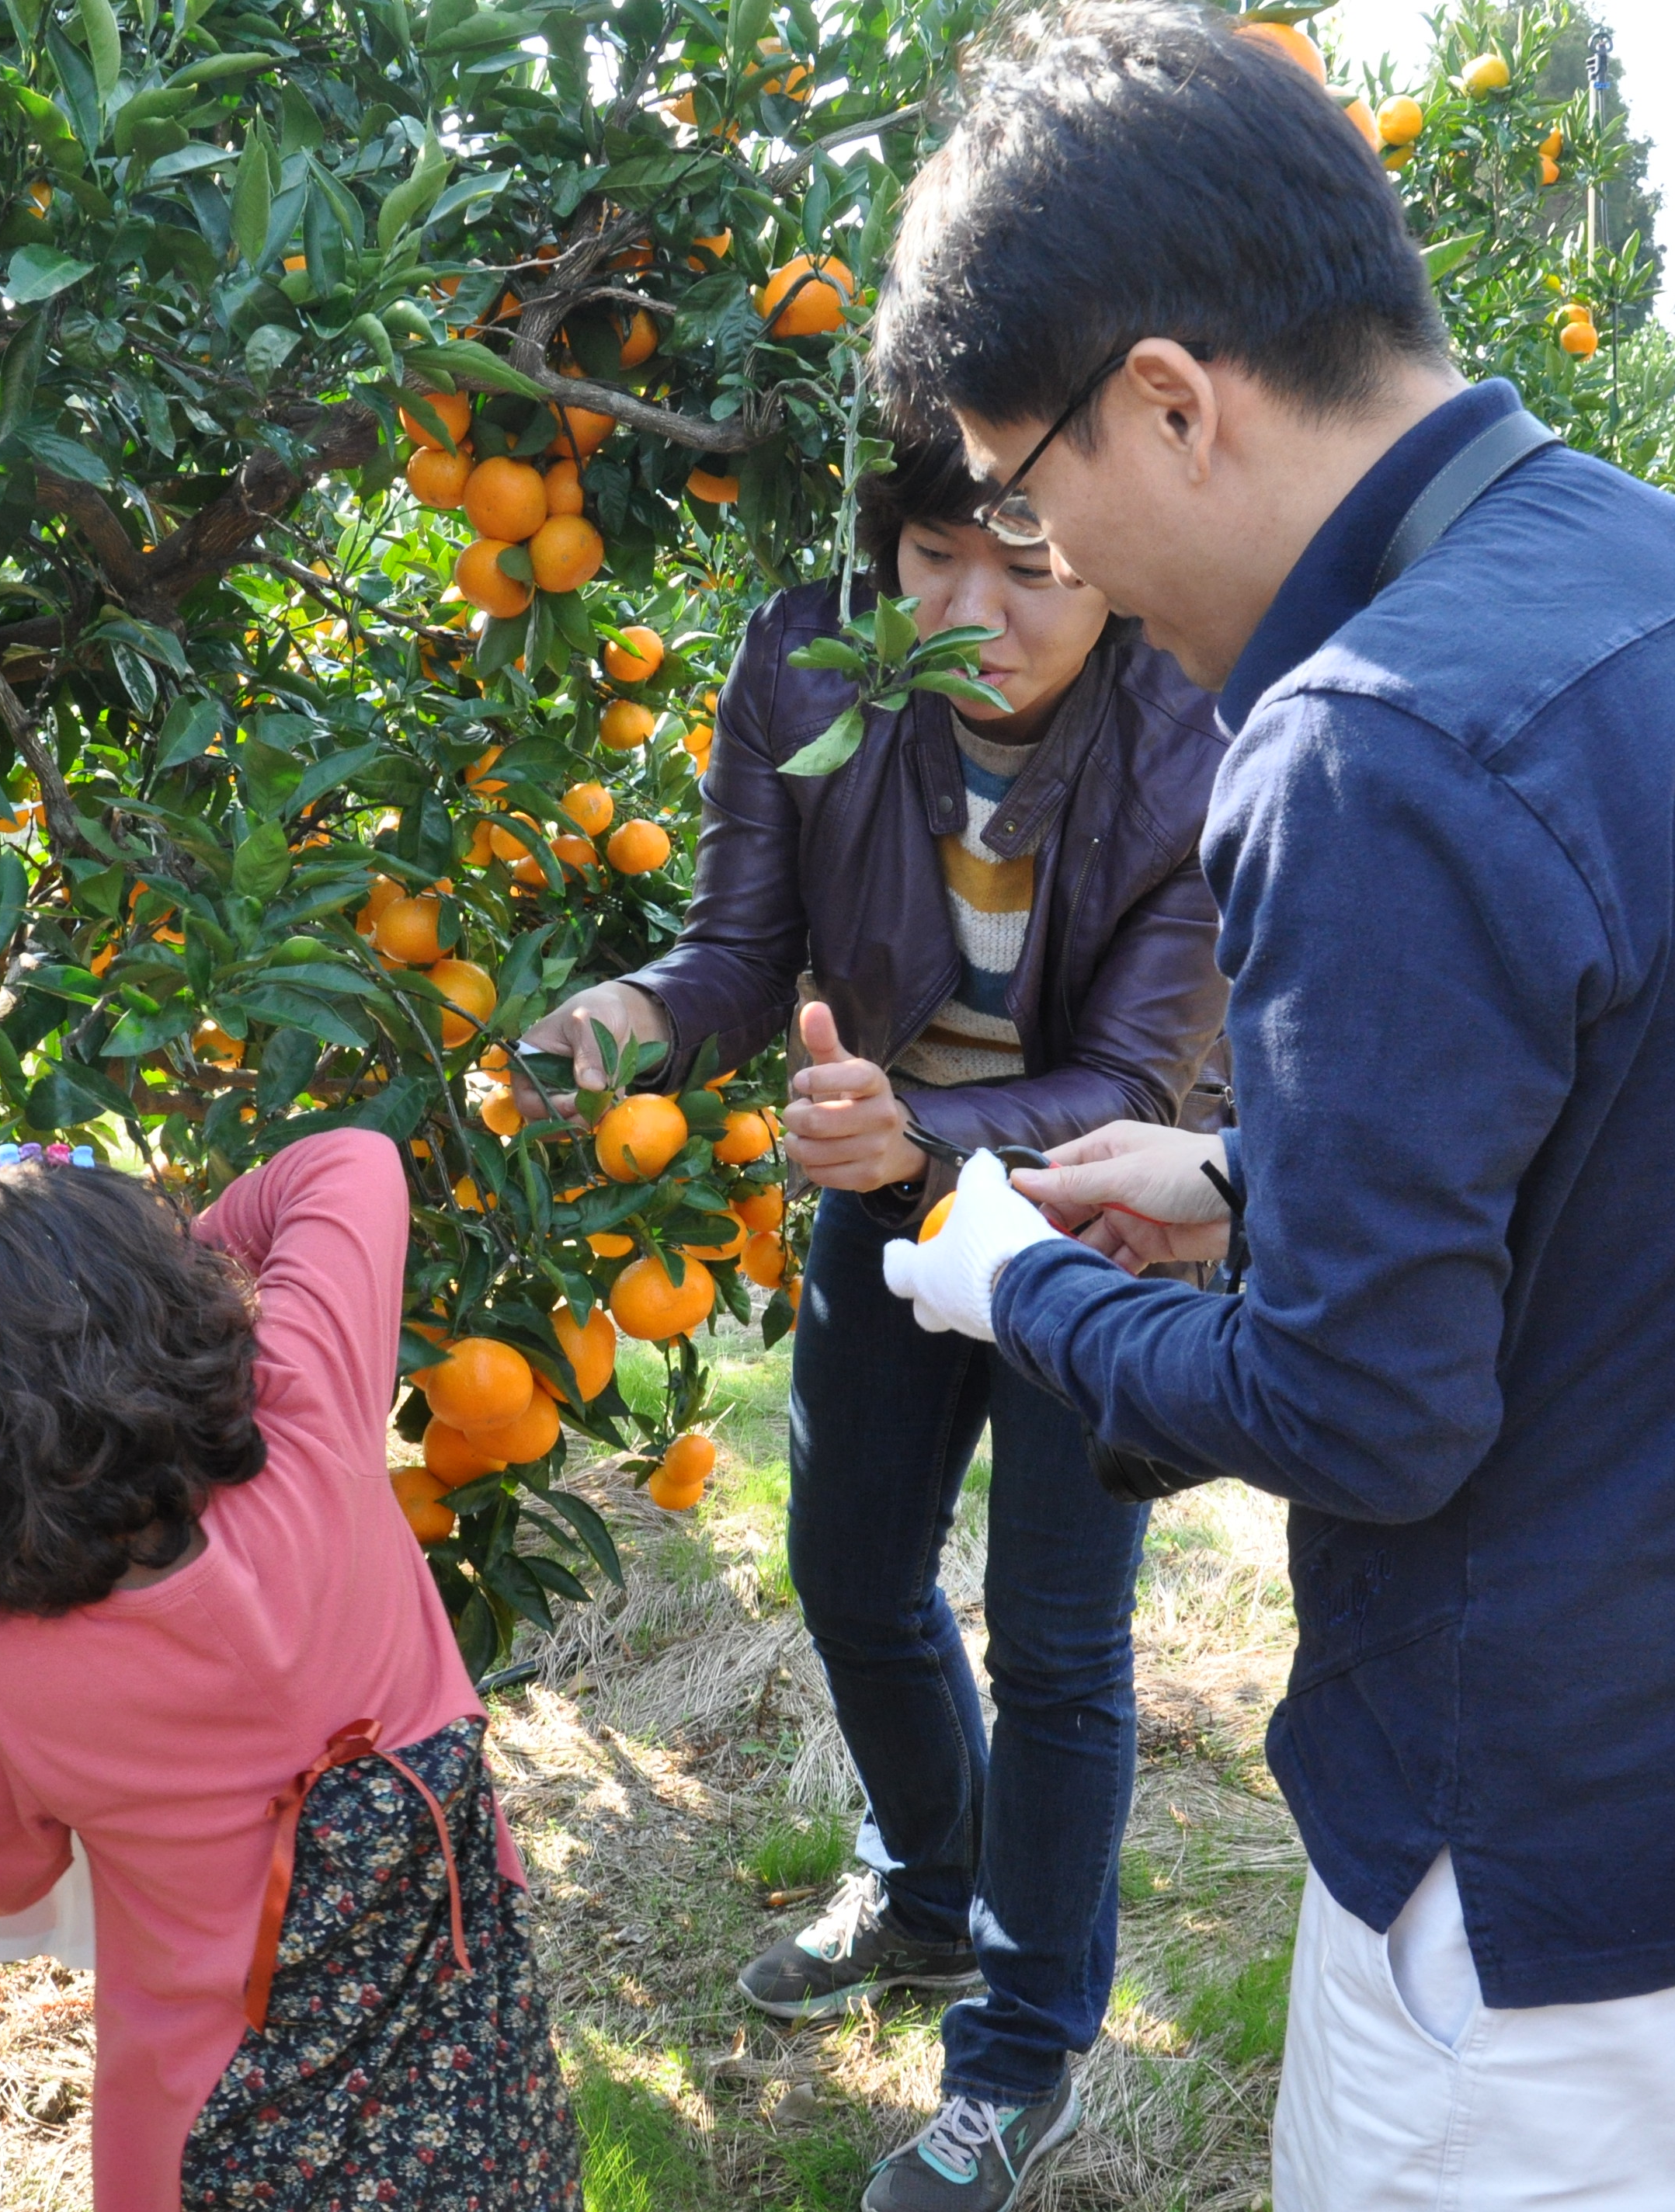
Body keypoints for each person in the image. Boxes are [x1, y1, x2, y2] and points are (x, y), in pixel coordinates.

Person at [869, 10, 1675, 2211]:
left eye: (1031, 491)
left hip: (1526, 1901)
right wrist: (1261, 1172)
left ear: (1168, 397)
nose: (1059, 565)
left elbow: (1370, 1414)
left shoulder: (1375, 739)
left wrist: (1010, 1290)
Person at [514, 432, 1232, 2211]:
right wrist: (616, 1023)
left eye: (1030, 568)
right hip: (881, 1189)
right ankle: (925, 1884)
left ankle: (1020, 2049)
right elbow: (740, 950)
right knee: (847, 1574)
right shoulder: (804, 655)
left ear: (1113, 558)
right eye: (928, 556)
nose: (968, 612)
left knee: (1058, 1644)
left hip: (1101, 1217)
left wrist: (924, 1132)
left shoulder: (1196, 724)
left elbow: (1140, 1070)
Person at [0, 1131, 579, 2212]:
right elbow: (356, 1161)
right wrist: (138, 1280)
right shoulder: (308, 1414)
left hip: (213, 2147)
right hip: (470, 2077)